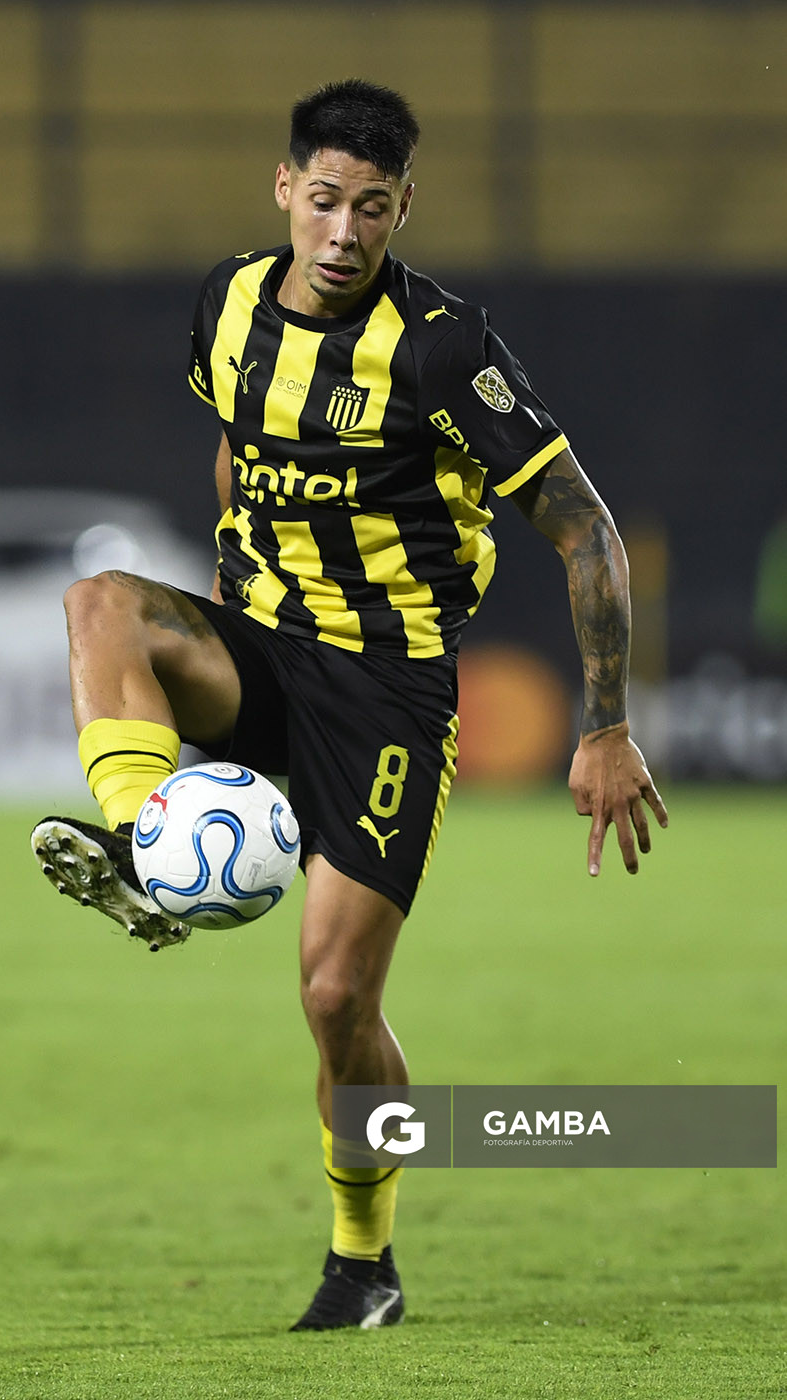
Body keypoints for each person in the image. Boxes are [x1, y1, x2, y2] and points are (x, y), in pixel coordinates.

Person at [32, 79, 667, 1332]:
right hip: (265, 644)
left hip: (384, 691)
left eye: (370, 209)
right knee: (103, 600)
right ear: (285, 190)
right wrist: (223, 594)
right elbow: (234, 447)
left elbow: (586, 526)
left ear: (401, 209)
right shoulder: (225, 301)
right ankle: (147, 848)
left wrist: (603, 724)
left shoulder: (442, 346)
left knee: (334, 999)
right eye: (323, 200)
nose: (341, 232)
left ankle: (363, 1259)